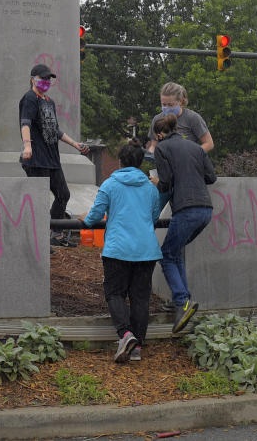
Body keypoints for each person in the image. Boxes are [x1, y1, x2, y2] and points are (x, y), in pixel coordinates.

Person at [83, 139, 161, 363]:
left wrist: (85, 220)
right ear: (140, 163)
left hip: (117, 249)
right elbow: (154, 217)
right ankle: (137, 347)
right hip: (146, 250)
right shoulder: (150, 188)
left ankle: (125, 334)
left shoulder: (110, 184)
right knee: (140, 298)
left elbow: (95, 216)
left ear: (119, 162)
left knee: (114, 293)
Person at [150, 112, 217, 332]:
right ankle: (183, 303)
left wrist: (155, 181)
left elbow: (167, 183)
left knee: (166, 254)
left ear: (160, 134)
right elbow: (211, 178)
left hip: (186, 210)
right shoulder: (196, 148)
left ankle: (182, 301)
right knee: (174, 252)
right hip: (205, 210)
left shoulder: (161, 148)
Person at [19, 62, 89, 247]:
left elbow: (55, 130)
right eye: (43, 78)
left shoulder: (48, 102)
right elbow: (25, 123)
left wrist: (75, 144)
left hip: (52, 159)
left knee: (63, 194)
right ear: (32, 79)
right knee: (40, 201)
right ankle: (39, 242)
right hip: (36, 160)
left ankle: (54, 234)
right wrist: (27, 146)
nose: (46, 82)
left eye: (48, 79)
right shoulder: (29, 99)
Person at [145, 82, 214, 157]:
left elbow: (209, 144)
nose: (167, 107)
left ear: (180, 101)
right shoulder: (157, 119)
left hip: (188, 164)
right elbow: (154, 145)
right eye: (164, 104)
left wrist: (190, 155)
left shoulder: (192, 118)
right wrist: (151, 154)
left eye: (170, 105)